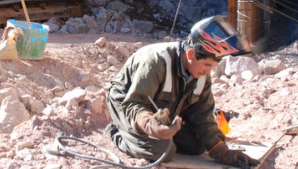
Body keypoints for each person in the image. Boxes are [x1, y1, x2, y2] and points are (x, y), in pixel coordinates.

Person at [105, 15, 260, 168]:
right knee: (162, 152)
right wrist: (150, 124)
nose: (208, 72)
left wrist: (222, 152)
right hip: (126, 102)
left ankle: (157, 136)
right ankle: (116, 132)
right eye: (206, 65)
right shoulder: (155, 61)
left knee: (198, 146)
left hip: (159, 107)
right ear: (191, 54)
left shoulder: (200, 74)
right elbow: (134, 103)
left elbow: (203, 116)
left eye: (212, 66)